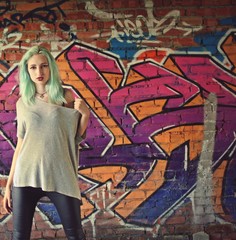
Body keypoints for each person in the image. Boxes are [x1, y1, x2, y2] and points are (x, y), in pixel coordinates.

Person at [2, 45, 90, 240]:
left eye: (43, 66)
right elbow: (21, 144)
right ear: (27, 71)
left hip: (60, 174)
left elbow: (76, 135)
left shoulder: (65, 96)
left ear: (51, 67)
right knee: (19, 236)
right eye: (33, 67)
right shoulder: (22, 102)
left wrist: (86, 114)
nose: (39, 72)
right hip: (25, 175)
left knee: (75, 234)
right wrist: (9, 185)